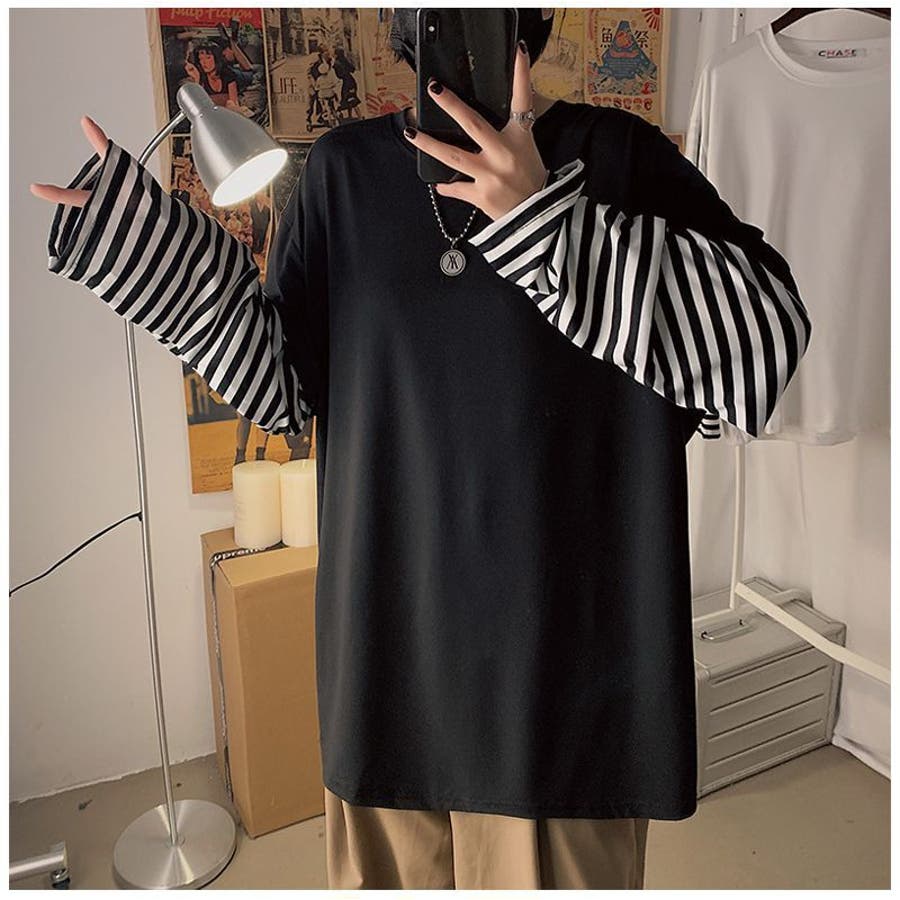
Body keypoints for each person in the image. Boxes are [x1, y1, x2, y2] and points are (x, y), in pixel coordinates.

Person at [30, 9, 810, 889]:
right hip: (392, 666)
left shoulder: (618, 158)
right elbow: (284, 391)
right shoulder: (344, 174)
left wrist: (547, 220)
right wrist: (164, 260)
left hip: (566, 689)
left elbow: (765, 346)